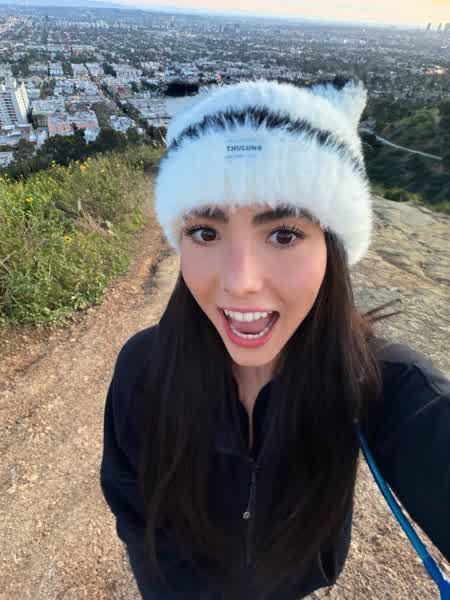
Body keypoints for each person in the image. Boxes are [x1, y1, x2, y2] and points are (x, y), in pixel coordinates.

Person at [100, 76, 450, 600]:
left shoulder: (383, 383)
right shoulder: (143, 370)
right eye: (205, 232)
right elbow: (132, 512)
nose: (240, 280)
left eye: (284, 234)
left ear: (331, 248)